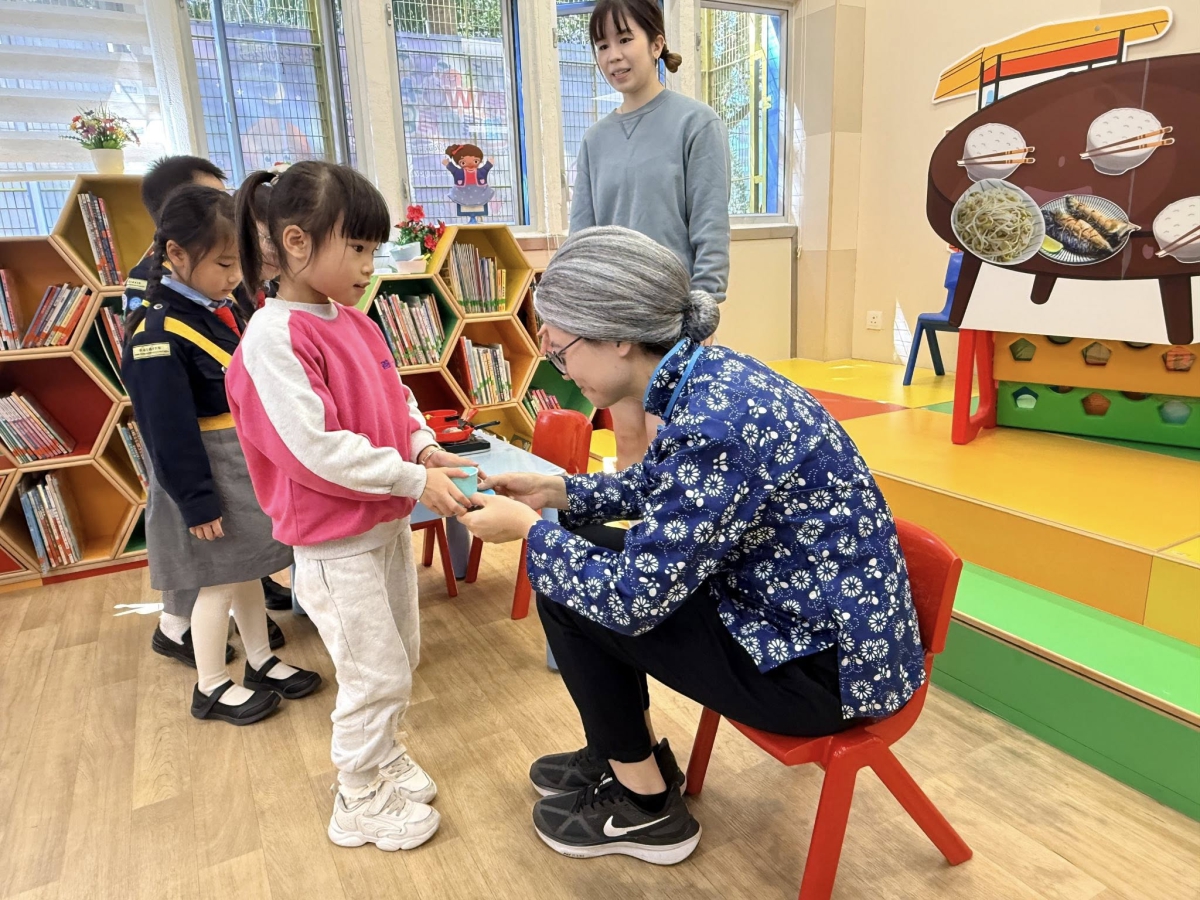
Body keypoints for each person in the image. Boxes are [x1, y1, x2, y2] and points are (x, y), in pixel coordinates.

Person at [459, 227, 926, 866]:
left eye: (563, 353)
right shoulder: (711, 376)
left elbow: (634, 600)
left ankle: (647, 804)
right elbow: (665, 486)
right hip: (804, 627)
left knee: (575, 590)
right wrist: (558, 492)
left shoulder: (717, 420)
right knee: (578, 551)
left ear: (619, 339)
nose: (560, 369)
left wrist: (528, 529)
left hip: (825, 676)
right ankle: (627, 753)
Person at [226, 161, 481, 851]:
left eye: (374, 247)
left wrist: (423, 447)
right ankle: (358, 794)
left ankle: (383, 752)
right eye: (359, 247)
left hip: (382, 525)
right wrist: (408, 477)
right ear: (297, 242)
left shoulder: (354, 322)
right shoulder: (272, 338)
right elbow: (314, 448)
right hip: (334, 542)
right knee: (373, 671)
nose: (371, 264)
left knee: (401, 654)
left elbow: (396, 397)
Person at [122, 185, 321, 727]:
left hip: (239, 463)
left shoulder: (217, 307)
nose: (235, 277)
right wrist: (197, 502)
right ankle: (210, 684)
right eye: (224, 264)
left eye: (240, 263)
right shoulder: (157, 331)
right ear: (176, 254)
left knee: (247, 570)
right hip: (205, 474)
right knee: (215, 583)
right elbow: (167, 431)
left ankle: (260, 660)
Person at [570, 0, 731, 469]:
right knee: (626, 439)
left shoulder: (696, 123)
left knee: (672, 441)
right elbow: (583, 237)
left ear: (656, 44)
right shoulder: (594, 140)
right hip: (614, 317)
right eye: (602, 45)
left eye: (625, 40)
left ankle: (671, 522)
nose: (614, 55)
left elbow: (710, 223)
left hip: (673, 315)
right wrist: (575, 311)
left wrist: (704, 311)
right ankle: (632, 521)